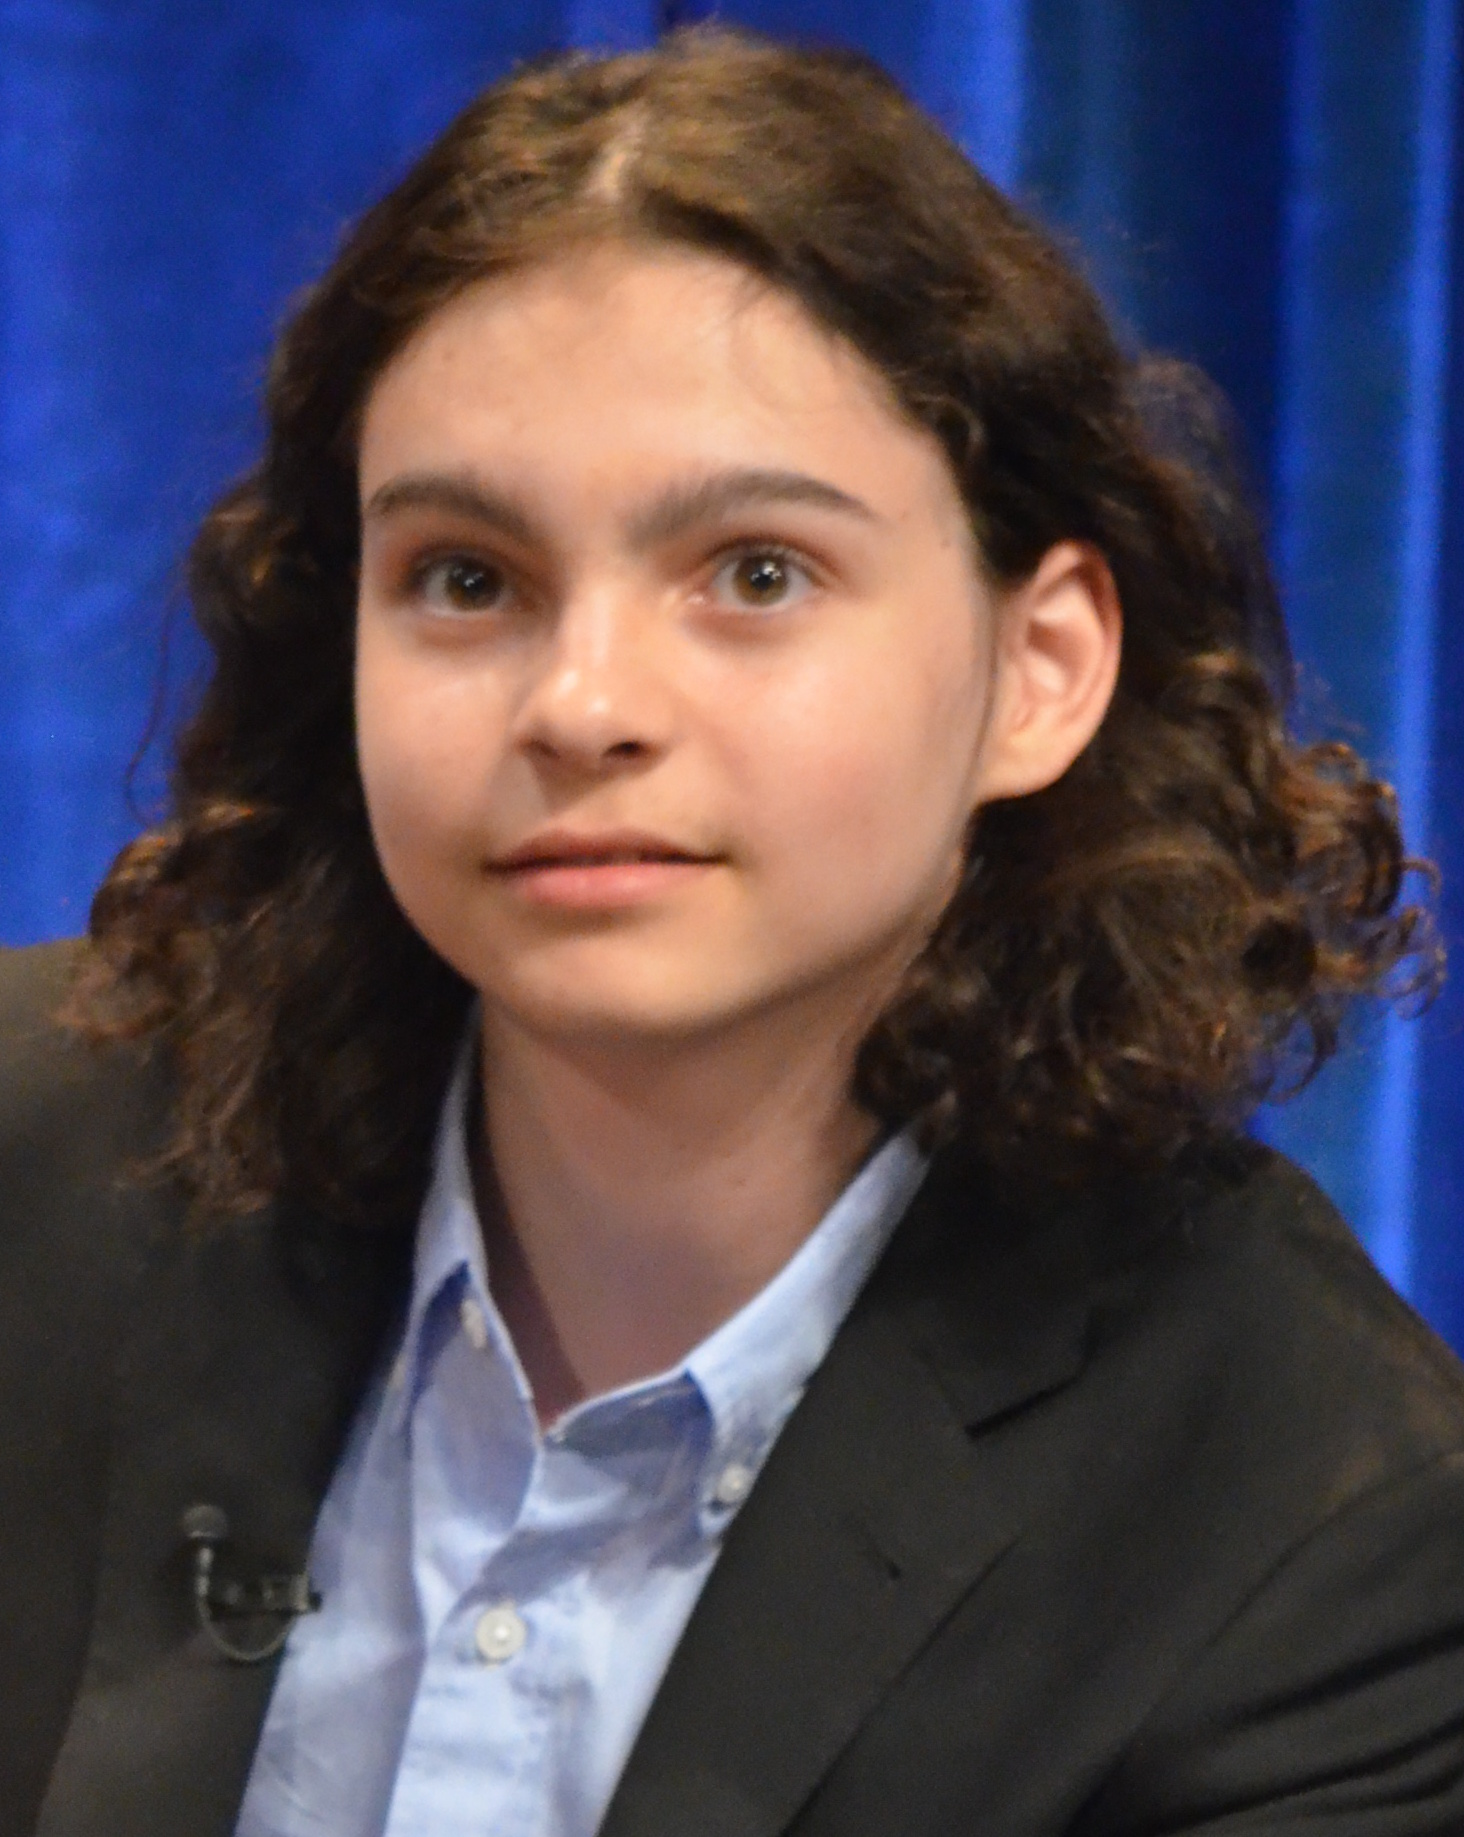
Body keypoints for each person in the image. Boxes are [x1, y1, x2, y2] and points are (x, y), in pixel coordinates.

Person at [2, 25, 1462, 1837]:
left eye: (755, 575)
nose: (581, 701)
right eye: (467, 578)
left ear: (1043, 665)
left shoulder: (1315, 1529)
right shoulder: (36, 1146)